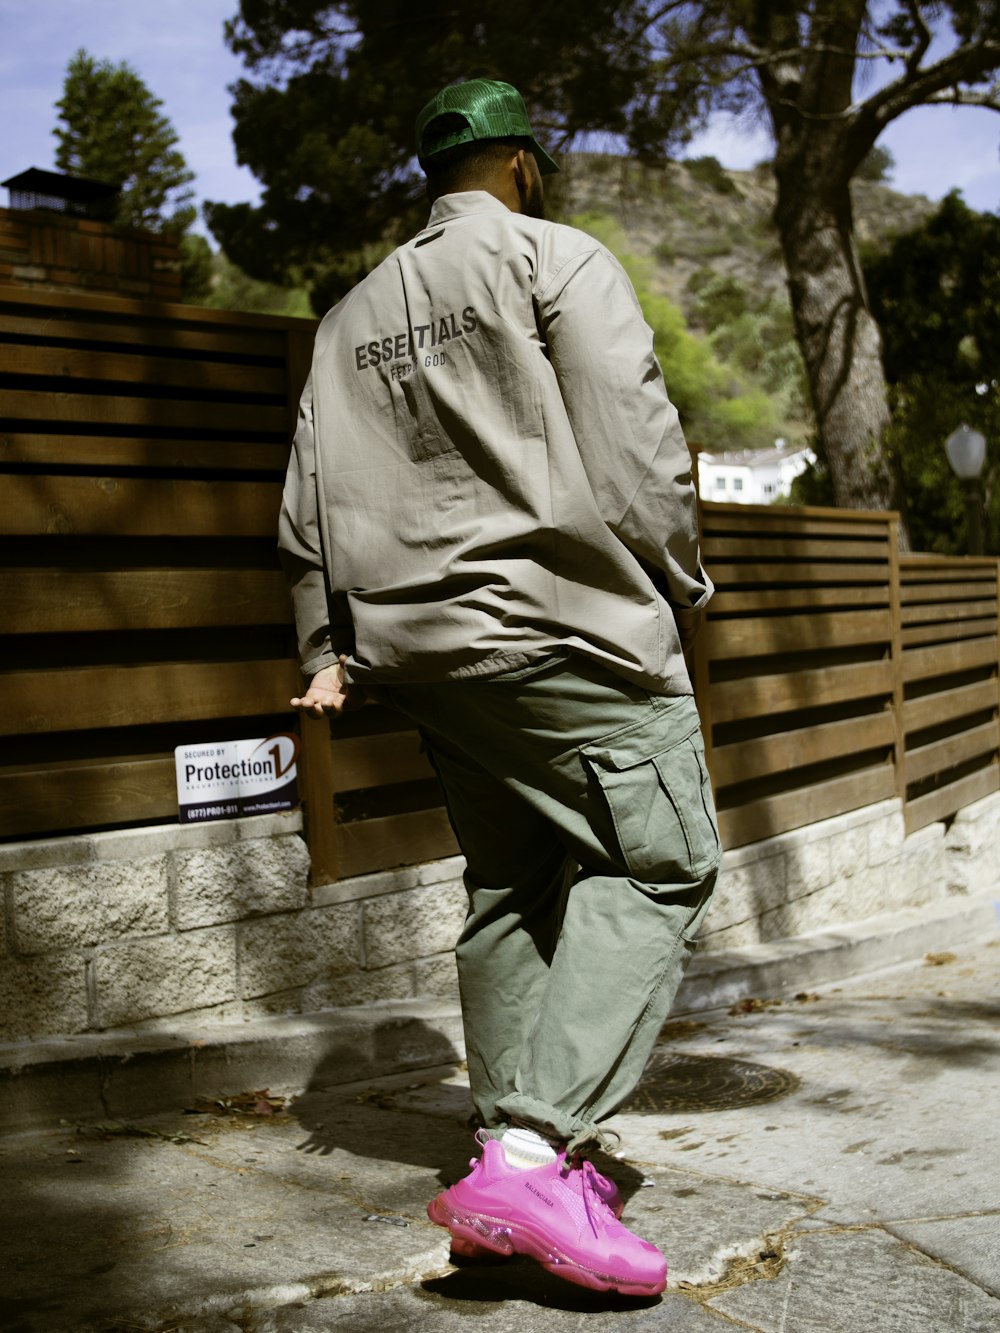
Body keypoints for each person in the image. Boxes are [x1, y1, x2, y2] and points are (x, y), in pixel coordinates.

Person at [279, 77, 720, 1297]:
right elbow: (632, 443)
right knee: (661, 862)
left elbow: (305, 500)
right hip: (567, 633)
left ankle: (501, 1173)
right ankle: (531, 1153)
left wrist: (323, 642)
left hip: (421, 657)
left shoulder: (345, 318)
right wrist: (683, 580)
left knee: (514, 881)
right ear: (524, 163)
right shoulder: (553, 259)